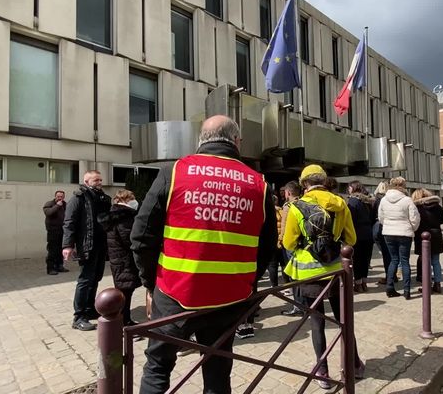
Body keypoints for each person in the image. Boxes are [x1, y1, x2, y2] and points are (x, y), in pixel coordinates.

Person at [131, 115, 277, 394]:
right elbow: (268, 246)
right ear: (237, 142)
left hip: (175, 292)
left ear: (201, 140)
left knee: (158, 366)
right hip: (230, 298)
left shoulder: (174, 172)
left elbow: (141, 237)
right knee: (218, 370)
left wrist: (151, 284)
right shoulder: (259, 184)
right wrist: (246, 282)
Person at [283, 164, 364, 389]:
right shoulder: (341, 204)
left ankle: (323, 372)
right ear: (324, 181)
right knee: (344, 321)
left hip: (309, 274)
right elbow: (352, 238)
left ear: (304, 184)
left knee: (317, 322)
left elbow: (289, 242)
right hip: (337, 270)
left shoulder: (297, 206)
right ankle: (354, 365)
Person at [62, 170, 112, 331]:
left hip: (100, 245)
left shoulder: (102, 197)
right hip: (87, 245)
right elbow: (69, 222)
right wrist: (67, 246)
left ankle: (90, 310)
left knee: (95, 278)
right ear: (86, 181)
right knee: (85, 280)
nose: (99, 182)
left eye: (100, 180)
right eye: (96, 180)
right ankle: (78, 317)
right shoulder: (79, 198)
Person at [98, 189, 141, 326]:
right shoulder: (124, 217)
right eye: (131, 199)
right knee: (125, 292)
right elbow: (129, 240)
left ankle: (124, 320)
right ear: (125, 201)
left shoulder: (114, 215)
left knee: (123, 290)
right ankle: (123, 322)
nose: (134, 201)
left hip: (118, 259)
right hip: (125, 260)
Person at [378, 177, 420, 299]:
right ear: (403, 185)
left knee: (393, 260)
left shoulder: (384, 200)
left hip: (389, 232)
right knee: (405, 261)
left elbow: (381, 217)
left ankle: (390, 288)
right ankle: (407, 291)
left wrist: (387, 225)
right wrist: (412, 228)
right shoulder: (407, 200)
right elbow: (415, 218)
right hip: (404, 233)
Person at [412, 189, 443, 294]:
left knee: (425, 262)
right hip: (436, 235)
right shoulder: (438, 207)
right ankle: (438, 284)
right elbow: (442, 220)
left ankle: (427, 286)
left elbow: (416, 222)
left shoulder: (418, 208)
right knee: (436, 261)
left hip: (423, 235)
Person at [279, 180, 304, 317]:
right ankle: (306, 303)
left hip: (291, 245)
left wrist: (280, 240)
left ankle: (297, 306)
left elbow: (284, 227)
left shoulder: (287, 206)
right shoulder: (304, 202)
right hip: (303, 244)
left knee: (293, 276)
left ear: (288, 192)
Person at [346, 181, 374, 293]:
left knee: (357, 259)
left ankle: (358, 284)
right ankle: (364, 283)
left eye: (349, 187)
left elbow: (350, 218)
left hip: (357, 233)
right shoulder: (368, 201)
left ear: (353, 188)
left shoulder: (353, 201)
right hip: (368, 233)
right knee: (366, 259)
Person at [43, 190, 68, 275]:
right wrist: (57, 206)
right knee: (52, 250)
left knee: (61, 250)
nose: (60, 198)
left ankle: (59, 266)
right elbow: (48, 213)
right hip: (52, 231)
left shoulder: (65, 205)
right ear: (55, 196)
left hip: (63, 231)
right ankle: (50, 268)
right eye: (58, 196)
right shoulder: (49, 204)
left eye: (61, 197)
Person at [372, 181, 393, 285]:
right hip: (390, 226)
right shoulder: (389, 198)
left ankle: (389, 276)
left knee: (385, 253)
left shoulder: (377, 199)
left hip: (379, 225)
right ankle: (392, 275)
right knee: (391, 253)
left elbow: (374, 214)